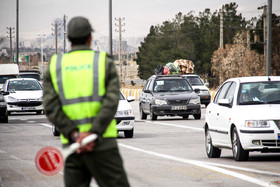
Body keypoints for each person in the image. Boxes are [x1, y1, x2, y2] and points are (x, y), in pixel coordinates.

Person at [43, 16, 130, 187]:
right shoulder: (103, 62)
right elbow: (111, 101)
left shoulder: (55, 65)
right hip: (103, 144)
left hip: (74, 146)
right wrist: (92, 133)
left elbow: (51, 106)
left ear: (68, 39)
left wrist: (75, 135)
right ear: (90, 37)